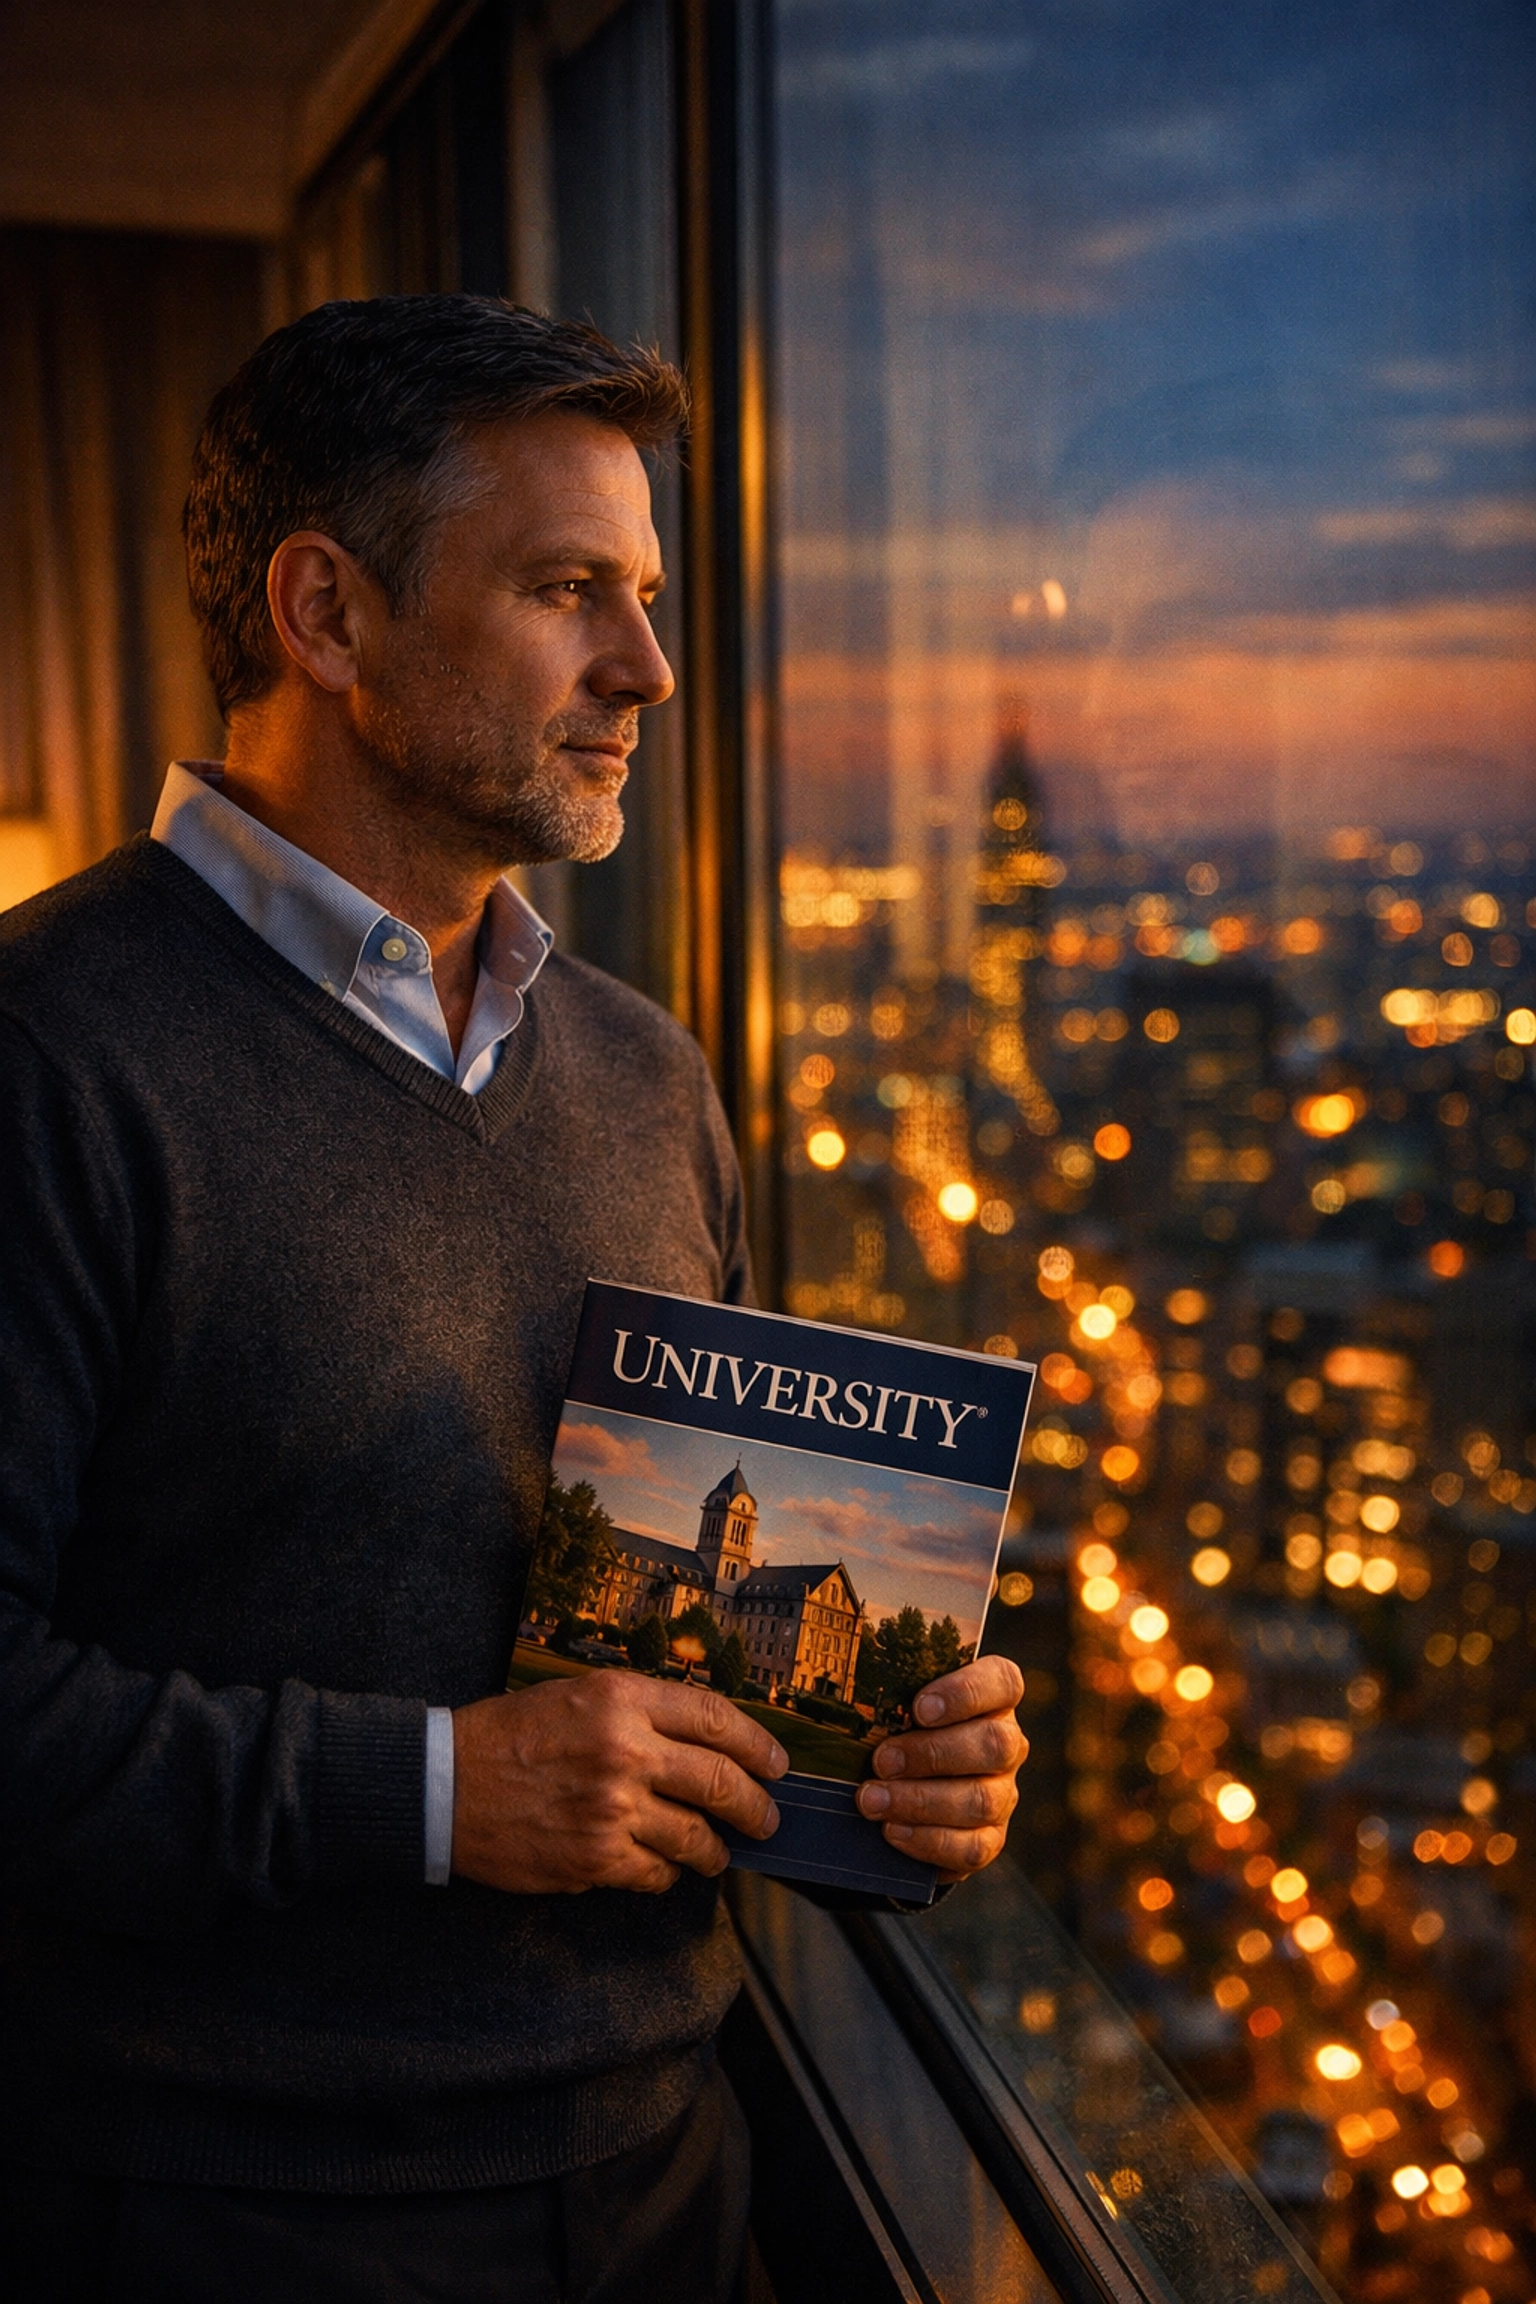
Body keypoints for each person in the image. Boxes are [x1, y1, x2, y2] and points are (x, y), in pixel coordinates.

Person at [0, 295, 1027, 2303]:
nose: (647, 667)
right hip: (220, 2225)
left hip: (672, 2179)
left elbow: (704, 1659)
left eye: (641, 596)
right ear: (327, 614)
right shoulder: (48, 1056)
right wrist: (450, 1795)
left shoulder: (647, 1074)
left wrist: (898, 1769)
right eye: (570, 591)